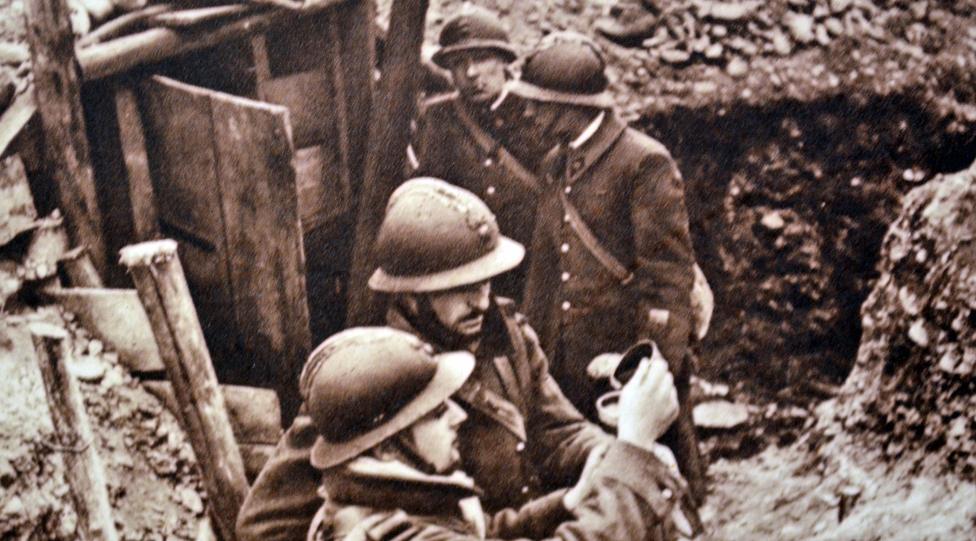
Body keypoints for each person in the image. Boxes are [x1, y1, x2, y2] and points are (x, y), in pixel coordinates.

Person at [236, 178, 700, 540]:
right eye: (459, 289)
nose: (481, 301)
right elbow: (264, 527)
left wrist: (608, 454)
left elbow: (555, 431)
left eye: (486, 281)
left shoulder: (506, 335)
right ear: (411, 297)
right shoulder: (372, 386)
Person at [492, 35, 705, 499]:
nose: (528, 114)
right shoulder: (555, 163)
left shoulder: (642, 161)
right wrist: (533, 350)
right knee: (589, 487)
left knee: (656, 486)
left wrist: (646, 368)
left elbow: (667, 280)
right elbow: (546, 271)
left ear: (572, 106)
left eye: (538, 104)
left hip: (624, 365)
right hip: (569, 366)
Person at [303, 326, 694, 540]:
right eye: (436, 413)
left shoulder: (390, 502)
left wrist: (570, 502)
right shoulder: (382, 534)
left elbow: (482, 535)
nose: (457, 415)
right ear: (387, 449)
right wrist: (632, 450)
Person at [409, 7, 540, 301]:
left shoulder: (536, 112)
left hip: (533, 266)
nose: (471, 73)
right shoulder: (439, 117)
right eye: (458, 63)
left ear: (504, 61)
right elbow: (431, 192)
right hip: (471, 271)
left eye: (481, 59)